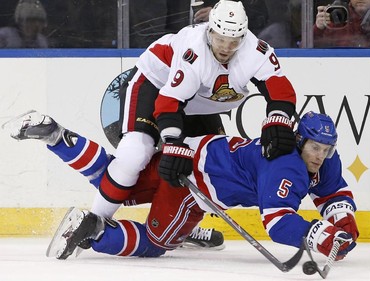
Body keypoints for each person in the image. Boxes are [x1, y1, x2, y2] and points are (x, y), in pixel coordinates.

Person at [6, 110, 359, 260]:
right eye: (314, 148)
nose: (320, 156)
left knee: (115, 181)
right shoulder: (286, 166)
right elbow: (278, 222)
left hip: (186, 152)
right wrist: (317, 235)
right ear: (299, 141)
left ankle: (55, 135)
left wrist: (343, 222)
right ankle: (95, 233)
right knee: (157, 243)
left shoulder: (322, 158)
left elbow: (333, 191)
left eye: (326, 149)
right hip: (194, 188)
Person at [92, 0, 296, 245]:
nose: (226, 47)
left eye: (234, 42)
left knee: (208, 163)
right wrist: (172, 142)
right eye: (220, 39)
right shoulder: (193, 50)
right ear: (210, 30)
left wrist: (279, 119)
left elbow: (280, 90)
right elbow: (170, 102)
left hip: (196, 101)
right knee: (137, 152)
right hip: (155, 85)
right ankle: (94, 221)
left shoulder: (256, 50)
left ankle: (184, 226)